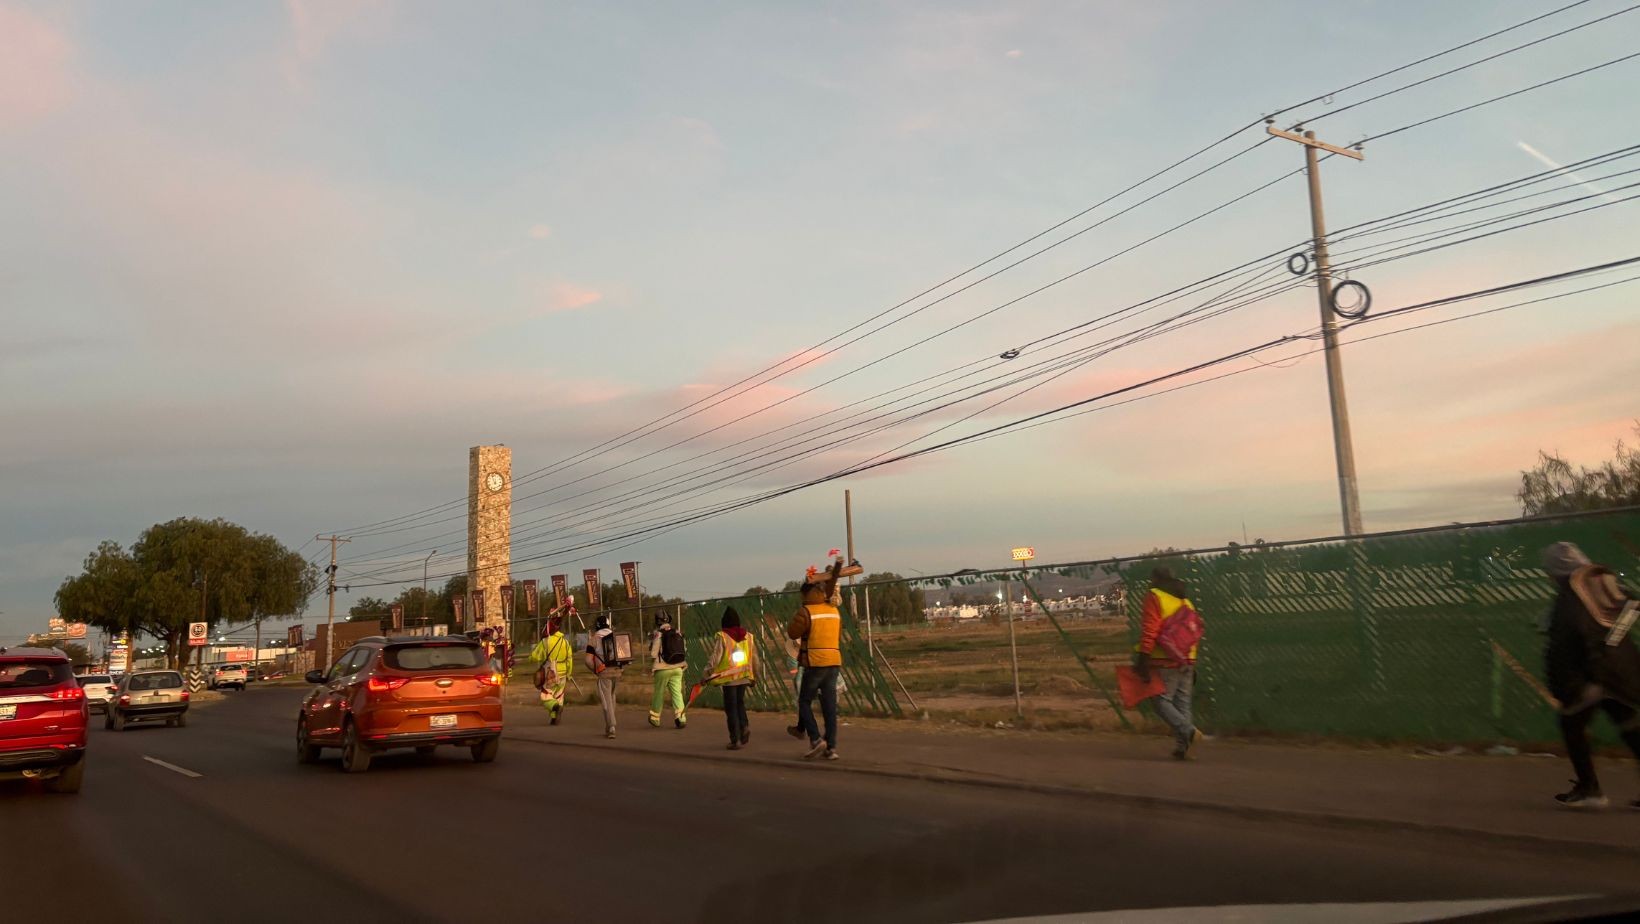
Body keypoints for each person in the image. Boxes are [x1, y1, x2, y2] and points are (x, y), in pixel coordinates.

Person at [1540, 542, 1640, 809]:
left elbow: (1567, 640)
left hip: (1590, 674)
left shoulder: (1570, 595)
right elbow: (1631, 604)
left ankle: (1590, 789)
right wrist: (1612, 642)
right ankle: (1589, 789)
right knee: (1629, 724)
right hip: (1618, 671)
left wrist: (1568, 686)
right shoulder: (1601, 584)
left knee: (1571, 724)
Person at [1134, 567, 1203, 760]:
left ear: (1155, 578)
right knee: (1183, 704)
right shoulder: (1184, 600)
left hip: (1165, 659)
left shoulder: (1155, 596)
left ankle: (1187, 730)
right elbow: (1193, 632)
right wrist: (1191, 661)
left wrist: (1143, 657)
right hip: (1187, 658)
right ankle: (1183, 748)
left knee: (1160, 701)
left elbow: (1150, 629)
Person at [787, 562, 845, 760]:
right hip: (834, 661)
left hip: (814, 662)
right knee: (829, 705)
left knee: (804, 702)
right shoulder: (834, 611)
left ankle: (815, 739)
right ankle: (831, 747)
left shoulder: (807, 611)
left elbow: (792, 632)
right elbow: (837, 635)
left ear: (806, 594)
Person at [704, 606, 757, 749]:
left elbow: (716, 657)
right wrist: (754, 677)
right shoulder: (749, 637)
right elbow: (754, 659)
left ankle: (736, 740)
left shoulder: (723, 637)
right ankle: (744, 726)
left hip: (728, 680)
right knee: (740, 704)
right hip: (744, 677)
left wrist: (707, 672)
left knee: (731, 708)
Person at [528, 615, 573, 725]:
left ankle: (555, 707)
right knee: (558, 695)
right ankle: (554, 718)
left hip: (551, 672)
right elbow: (570, 659)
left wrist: (531, 658)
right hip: (563, 673)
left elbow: (535, 656)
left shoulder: (546, 641)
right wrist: (569, 673)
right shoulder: (566, 642)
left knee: (546, 695)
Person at [586, 614, 623, 739]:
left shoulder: (594, 639)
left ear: (597, 626)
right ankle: (609, 726)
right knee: (612, 697)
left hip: (604, 673)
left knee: (606, 700)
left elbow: (588, 660)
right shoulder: (615, 636)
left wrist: (596, 670)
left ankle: (611, 726)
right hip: (617, 672)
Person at [648, 613, 688, 729]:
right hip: (678, 668)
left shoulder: (658, 634)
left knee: (659, 693)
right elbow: (684, 649)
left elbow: (653, 653)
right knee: (677, 694)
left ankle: (655, 718)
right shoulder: (677, 632)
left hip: (662, 669)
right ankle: (681, 718)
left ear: (657, 622)